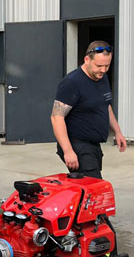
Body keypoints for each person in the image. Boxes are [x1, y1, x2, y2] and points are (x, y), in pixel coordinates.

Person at [51, 40, 127, 179]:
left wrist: (118, 132)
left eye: (107, 66)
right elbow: (56, 117)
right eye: (99, 66)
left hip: (93, 146)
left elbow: (105, 105)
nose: (103, 70)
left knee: (85, 190)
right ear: (87, 59)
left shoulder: (102, 78)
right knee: (95, 187)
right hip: (77, 145)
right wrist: (68, 150)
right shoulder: (72, 82)